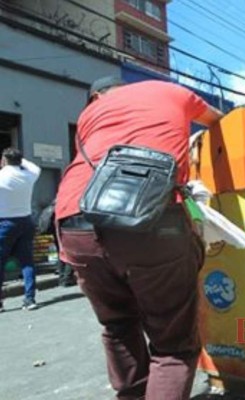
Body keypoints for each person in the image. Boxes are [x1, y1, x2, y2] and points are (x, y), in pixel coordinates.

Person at [55, 77, 224, 399]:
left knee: (118, 326)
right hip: (152, 218)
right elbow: (220, 121)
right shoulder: (173, 91)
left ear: (96, 96)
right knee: (173, 343)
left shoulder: (92, 113)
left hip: (75, 220)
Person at [0, 148, 41, 312]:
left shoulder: (2, 177)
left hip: (5, 222)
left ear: (4, 160)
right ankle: (29, 299)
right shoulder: (29, 176)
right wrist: (20, 160)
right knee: (27, 261)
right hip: (25, 221)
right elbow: (35, 167)